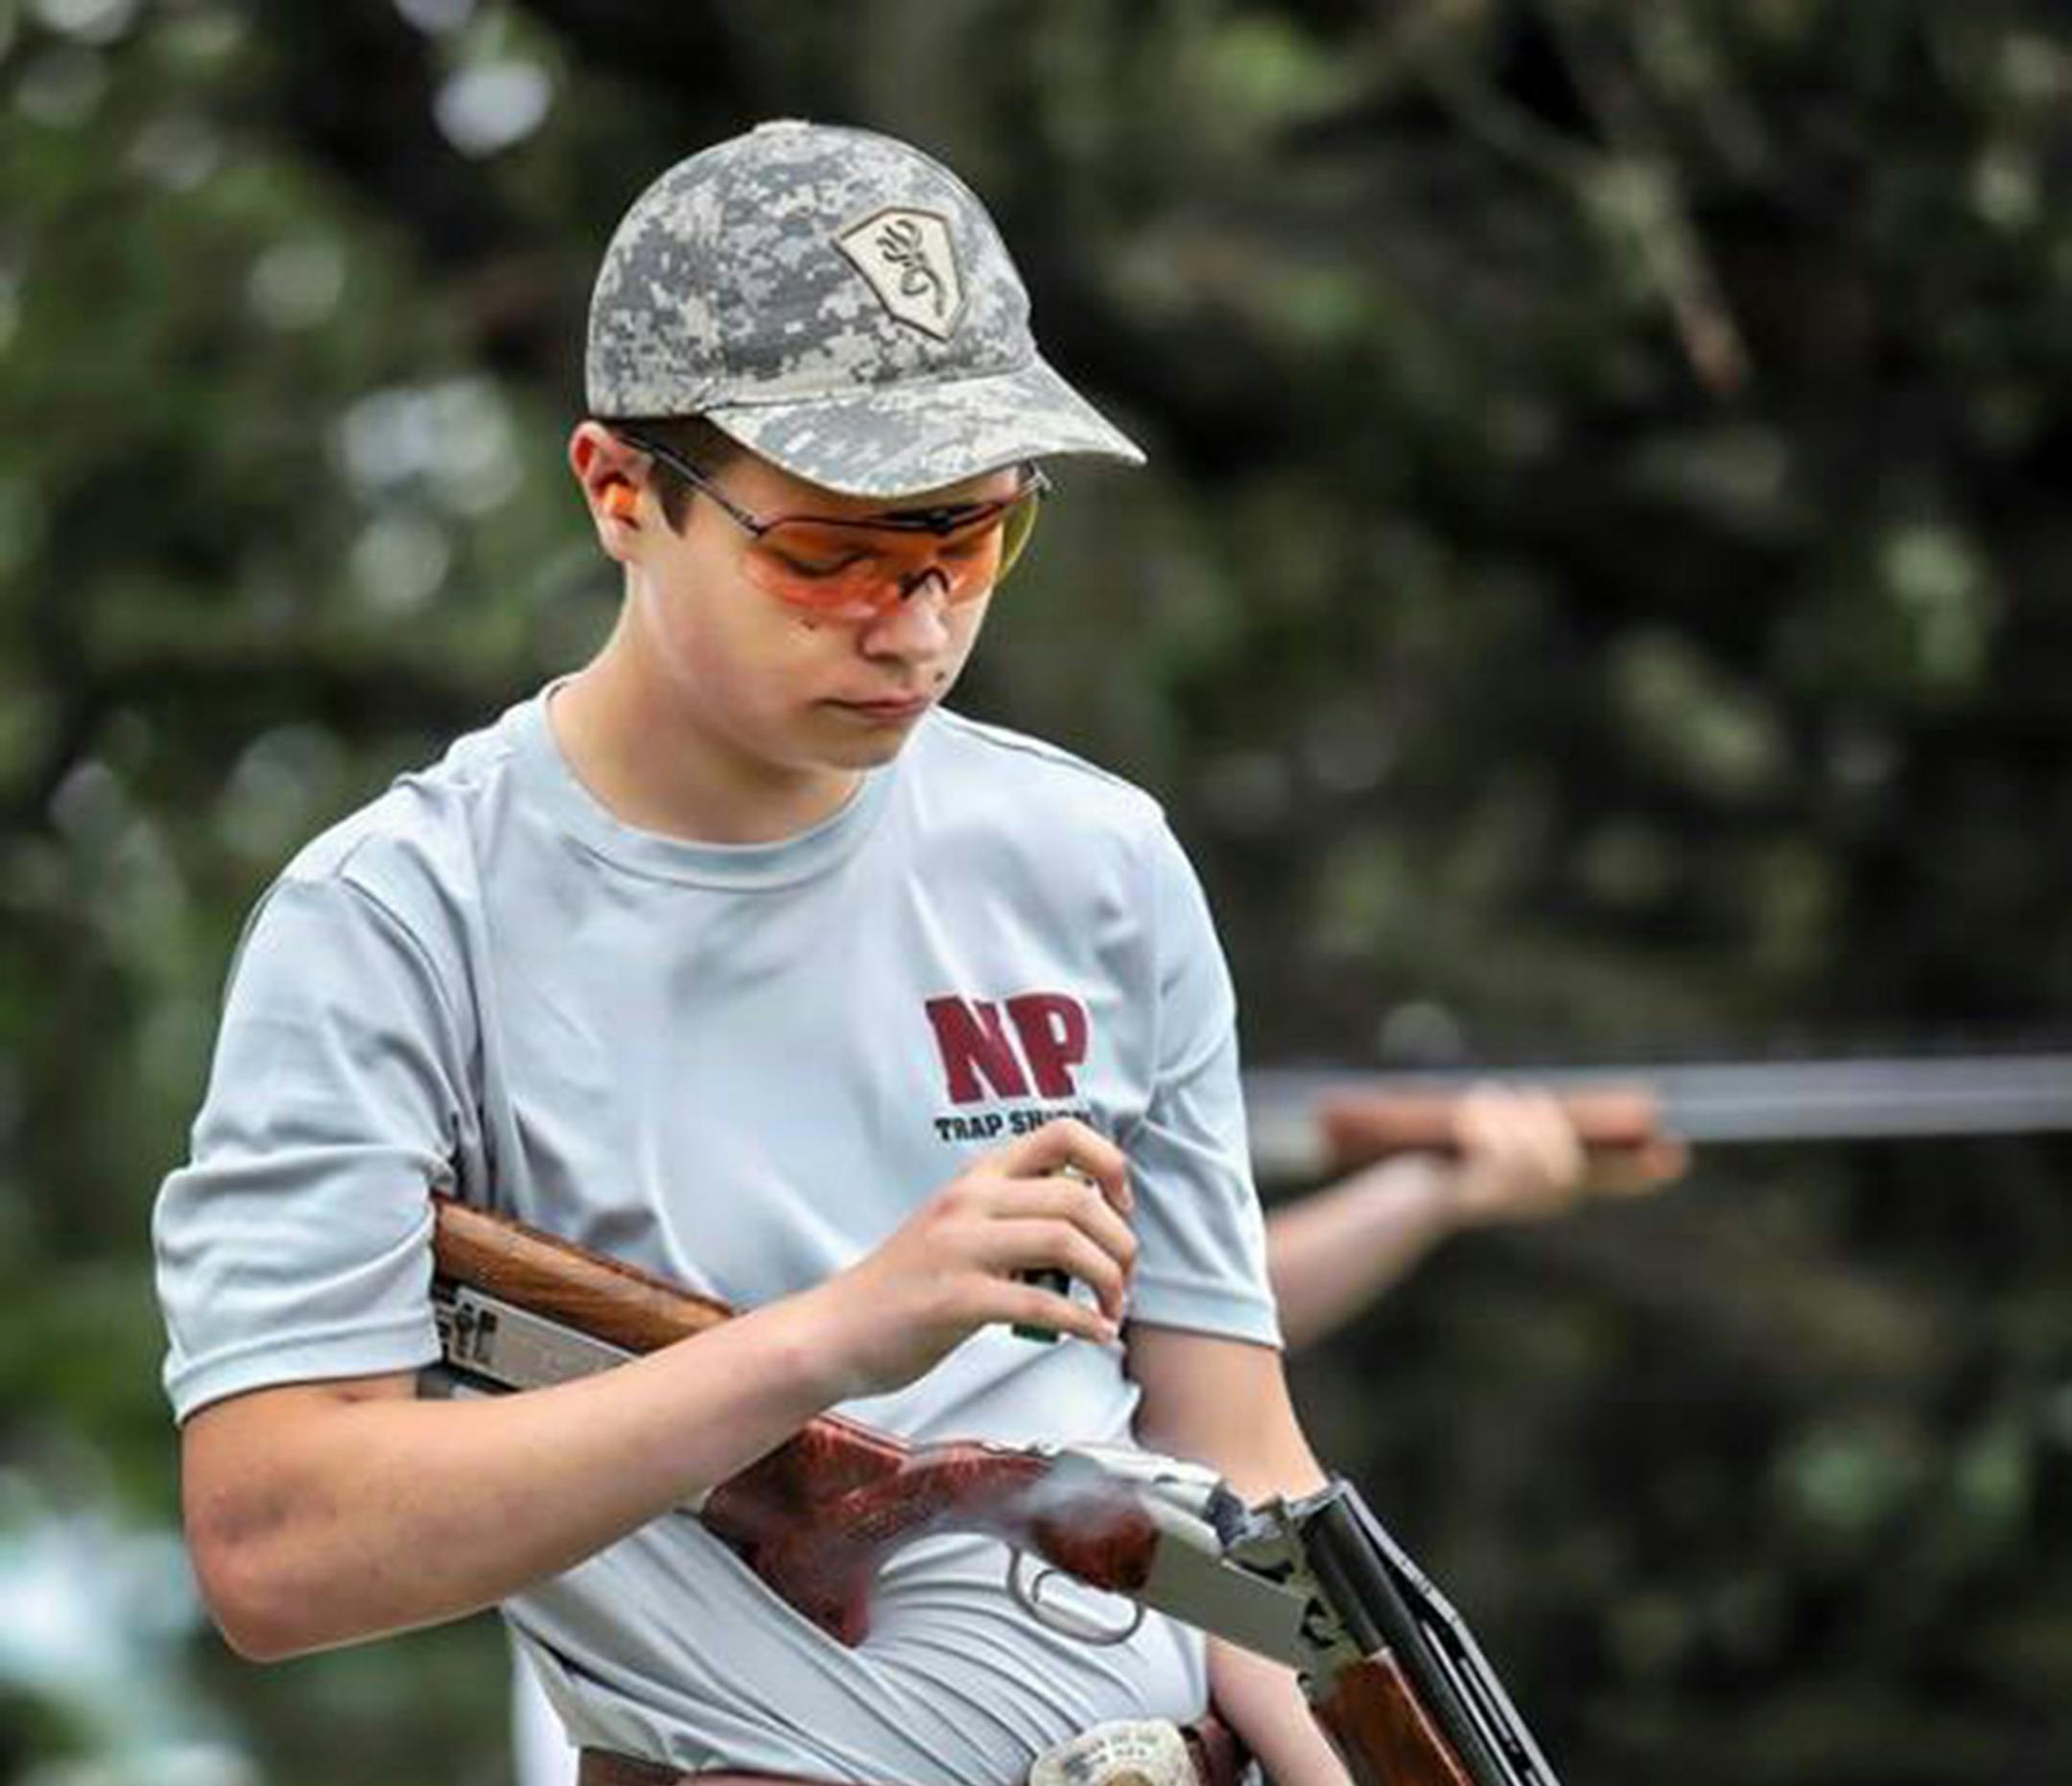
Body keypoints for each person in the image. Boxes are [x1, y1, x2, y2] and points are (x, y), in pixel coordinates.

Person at [153, 118, 1671, 1786]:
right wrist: (834, 1337)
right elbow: (277, 1548)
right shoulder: (394, 920)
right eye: (831, 554)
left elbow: (1231, 1463)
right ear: (617, 492)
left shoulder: (1100, 862)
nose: (919, 625)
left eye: (977, 538)